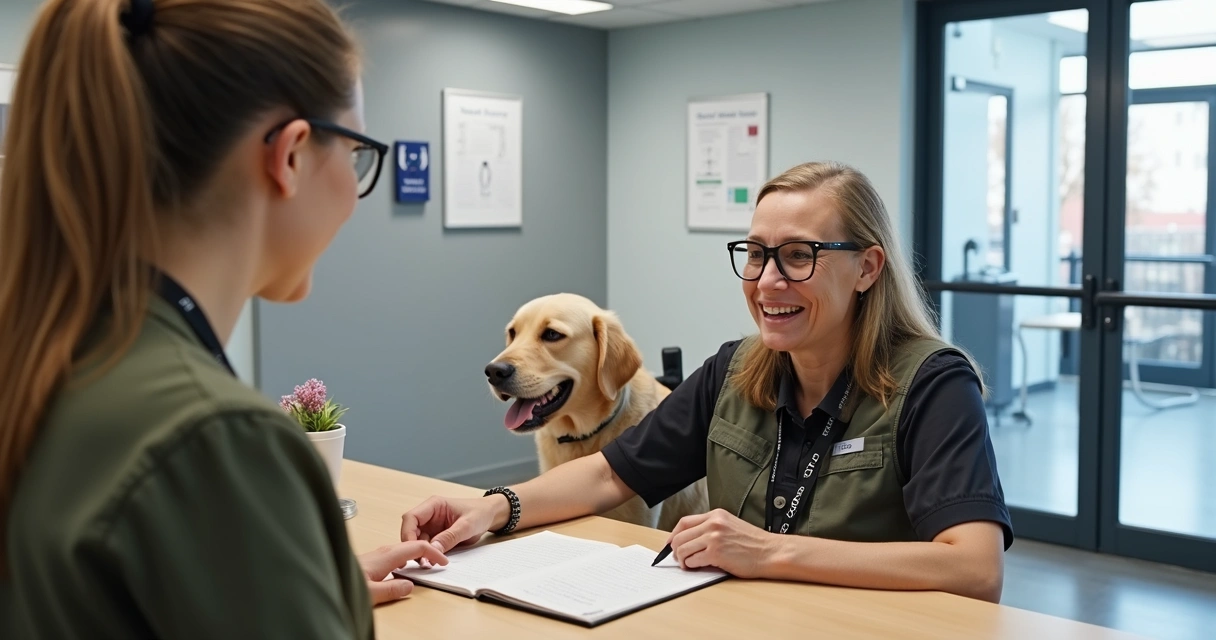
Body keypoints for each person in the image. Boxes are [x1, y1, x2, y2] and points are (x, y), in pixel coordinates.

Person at [0, 0, 445, 637]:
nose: (353, 190)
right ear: (290, 154)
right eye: (355, 153)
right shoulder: (217, 439)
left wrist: (310, 578)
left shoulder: (44, 361)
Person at [401, 161, 1014, 603]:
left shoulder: (934, 384)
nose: (768, 280)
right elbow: (610, 472)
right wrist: (491, 508)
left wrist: (767, 551)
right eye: (755, 253)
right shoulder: (735, 369)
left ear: (867, 267)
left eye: (798, 255)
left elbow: (975, 568)